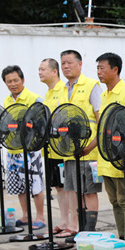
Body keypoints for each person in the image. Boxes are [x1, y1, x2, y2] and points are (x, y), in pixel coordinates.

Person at [95, 52, 125, 248]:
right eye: (97, 68)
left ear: (115, 69)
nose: (99, 72)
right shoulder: (104, 95)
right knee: (113, 200)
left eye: (102, 68)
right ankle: (121, 237)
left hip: (121, 157)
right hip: (106, 157)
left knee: (124, 200)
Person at [60, 49, 102, 234]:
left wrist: (91, 146)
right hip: (70, 152)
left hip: (89, 153)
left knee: (89, 192)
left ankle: (90, 231)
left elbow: (101, 121)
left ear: (80, 64)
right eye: (63, 63)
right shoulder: (63, 89)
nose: (66, 66)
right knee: (76, 192)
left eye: (69, 62)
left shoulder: (92, 86)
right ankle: (81, 231)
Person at [1, 65, 46, 231]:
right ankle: (26, 216)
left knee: (35, 185)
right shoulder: (7, 100)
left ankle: (40, 217)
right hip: (13, 150)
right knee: (20, 186)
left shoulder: (34, 99)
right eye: (9, 81)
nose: (13, 84)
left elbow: (42, 124)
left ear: (23, 80)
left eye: (16, 80)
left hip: (30, 150)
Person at [38, 58, 71, 237]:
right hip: (50, 148)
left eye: (43, 69)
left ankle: (71, 223)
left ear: (54, 71)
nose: (40, 72)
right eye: (39, 69)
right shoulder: (48, 93)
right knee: (58, 186)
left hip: (62, 148)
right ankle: (64, 221)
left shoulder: (63, 91)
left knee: (66, 186)